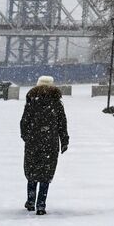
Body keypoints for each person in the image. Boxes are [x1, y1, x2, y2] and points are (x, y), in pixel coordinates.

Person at [20, 75, 69, 215]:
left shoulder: (31, 102)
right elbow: (62, 124)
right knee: (46, 173)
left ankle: (30, 201)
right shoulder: (56, 103)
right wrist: (64, 141)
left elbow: (24, 122)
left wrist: (27, 137)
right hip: (50, 142)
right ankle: (41, 204)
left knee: (32, 171)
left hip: (33, 141)